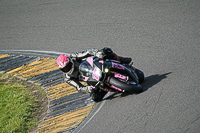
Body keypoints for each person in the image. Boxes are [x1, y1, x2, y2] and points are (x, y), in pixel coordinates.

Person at [56, 47, 132, 102]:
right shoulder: (67, 78)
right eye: (64, 69)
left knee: (106, 51)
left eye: (68, 66)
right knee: (95, 98)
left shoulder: (74, 57)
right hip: (92, 80)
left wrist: (97, 53)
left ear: (70, 61)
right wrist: (87, 89)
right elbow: (79, 87)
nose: (67, 69)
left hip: (94, 66)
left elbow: (88, 52)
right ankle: (111, 87)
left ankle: (121, 60)